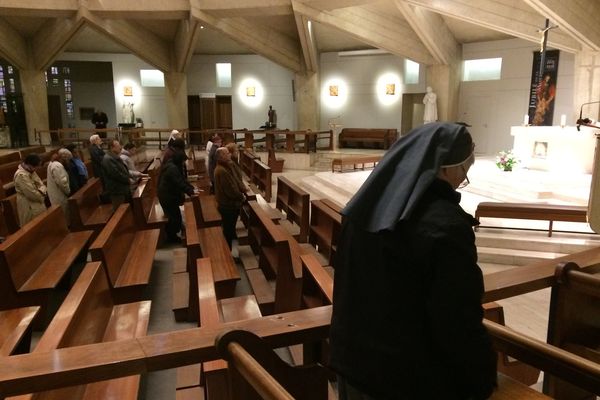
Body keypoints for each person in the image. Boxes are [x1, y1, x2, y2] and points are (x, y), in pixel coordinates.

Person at [330, 122, 497, 400]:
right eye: (463, 170)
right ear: (442, 167)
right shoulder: (444, 224)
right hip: (404, 380)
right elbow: (456, 317)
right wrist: (481, 379)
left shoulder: (365, 206)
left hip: (352, 365)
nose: (461, 179)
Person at [158, 150, 195, 243]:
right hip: (167, 196)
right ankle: (171, 237)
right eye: (183, 161)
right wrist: (191, 192)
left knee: (176, 216)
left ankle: (172, 235)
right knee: (174, 218)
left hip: (168, 195)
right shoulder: (172, 168)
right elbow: (179, 182)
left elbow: (182, 179)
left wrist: (191, 188)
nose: (183, 163)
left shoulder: (173, 165)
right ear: (179, 160)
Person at [214, 147, 245, 249]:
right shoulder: (222, 170)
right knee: (228, 230)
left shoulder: (225, 167)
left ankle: (231, 249)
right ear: (221, 156)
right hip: (228, 205)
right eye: (227, 153)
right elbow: (230, 190)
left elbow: (235, 182)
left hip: (228, 204)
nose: (229, 155)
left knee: (230, 229)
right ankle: (228, 252)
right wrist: (241, 196)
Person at [14, 154, 47, 227]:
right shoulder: (21, 175)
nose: (37, 168)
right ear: (29, 164)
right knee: (31, 226)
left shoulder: (31, 170)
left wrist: (41, 190)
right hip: (28, 205)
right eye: (36, 166)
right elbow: (32, 195)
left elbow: (42, 185)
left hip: (37, 203)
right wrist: (42, 193)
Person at [102, 140, 131, 210]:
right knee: (120, 211)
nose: (120, 147)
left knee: (126, 211)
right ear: (112, 147)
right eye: (118, 146)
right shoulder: (108, 159)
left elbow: (123, 170)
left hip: (122, 188)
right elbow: (116, 174)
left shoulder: (114, 157)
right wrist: (128, 179)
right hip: (117, 190)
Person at [47, 149, 72, 221]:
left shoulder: (54, 163)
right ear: (64, 158)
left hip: (56, 193)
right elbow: (62, 183)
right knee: (63, 215)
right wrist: (68, 191)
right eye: (68, 159)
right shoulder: (57, 166)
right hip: (59, 194)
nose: (68, 162)